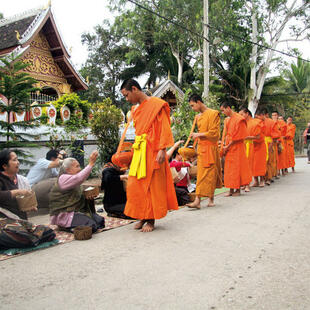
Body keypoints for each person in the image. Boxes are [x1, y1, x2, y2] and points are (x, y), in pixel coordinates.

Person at [120, 78, 178, 232]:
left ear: (134, 89)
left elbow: (164, 128)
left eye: (126, 95)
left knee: (151, 185)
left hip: (153, 150)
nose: (127, 99)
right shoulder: (136, 109)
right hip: (140, 151)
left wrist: (162, 149)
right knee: (136, 184)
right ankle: (142, 215)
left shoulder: (156, 105)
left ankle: (150, 220)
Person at [49, 150, 105, 232]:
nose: (80, 169)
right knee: (91, 226)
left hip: (77, 211)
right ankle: (66, 227)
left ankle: (77, 223)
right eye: (77, 166)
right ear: (68, 169)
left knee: (100, 222)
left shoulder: (72, 177)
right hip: (65, 214)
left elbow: (78, 194)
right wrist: (91, 163)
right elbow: (80, 178)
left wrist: (88, 198)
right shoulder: (63, 178)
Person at [185, 94, 222, 208]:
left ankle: (210, 199)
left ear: (199, 102)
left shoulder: (213, 113)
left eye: (192, 105)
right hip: (201, 148)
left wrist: (198, 134)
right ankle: (198, 200)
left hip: (211, 148)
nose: (192, 108)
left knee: (210, 174)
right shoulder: (198, 117)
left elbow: (215, 134)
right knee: (201, 174)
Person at [220, 102, 252, 196]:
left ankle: (237, 189)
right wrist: (223, 145)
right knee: (229, 169)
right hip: (229, 147)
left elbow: (239, 136)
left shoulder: (239, 119)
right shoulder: (227, 120)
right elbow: (225, 134)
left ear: (228, 108)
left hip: (237, 147)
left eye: (223, 110)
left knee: (237, 168)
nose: (223, 112)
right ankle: (230, 189)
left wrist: (228, 146)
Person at [0, 149, 35, 220]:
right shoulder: (1, 179)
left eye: (17, 159)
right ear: (5, 166)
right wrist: (17, 192)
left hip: (21, 221)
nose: (18, 162)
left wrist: (29, 205)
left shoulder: (22, 180)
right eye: (14, 160)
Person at [239, 107, 262, 191]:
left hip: (250, 145)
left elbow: (258, 136)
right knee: (243, 165)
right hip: (242, 146)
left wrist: (248, 137)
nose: (240, 116)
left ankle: (247, 184)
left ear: (247, 113)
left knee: (248, 165)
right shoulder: (241, 123)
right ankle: (244, 183)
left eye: (242, 114)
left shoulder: (255, 122)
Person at [253, 109, 267, 187]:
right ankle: (256, 181)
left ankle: (262, 180)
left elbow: (262, 134)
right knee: (253, 163)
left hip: (260, 145)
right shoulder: (255, 122)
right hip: (253, 145)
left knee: (260, 163)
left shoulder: (262, 123)